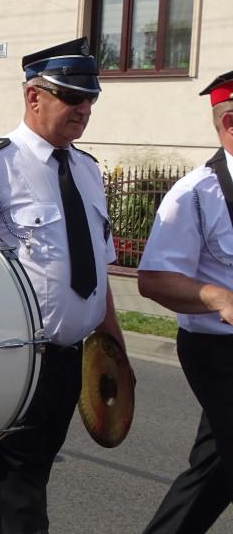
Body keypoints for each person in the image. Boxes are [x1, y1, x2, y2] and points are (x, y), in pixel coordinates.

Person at [0, 37, 126, 534]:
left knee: (2, 489)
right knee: (20, 503)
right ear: (34, 97)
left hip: (67, 364)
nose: (83, 109)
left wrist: (114, 348)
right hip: (11, 363)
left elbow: (98, 271)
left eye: (90, 100)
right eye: (71, 97)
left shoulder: (86, 171)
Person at [138, 68, 233, 533]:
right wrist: (217, 296)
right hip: (219, 351)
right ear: (230, 123)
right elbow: (154, 279)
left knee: (215, 471)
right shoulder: (196, 193)